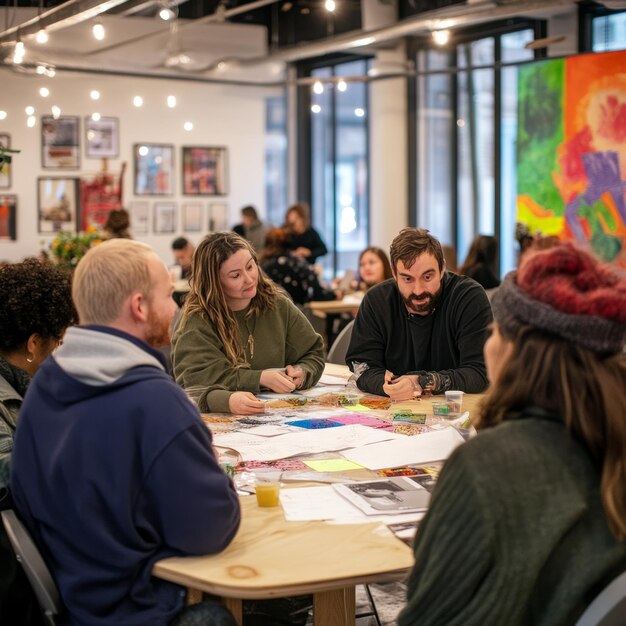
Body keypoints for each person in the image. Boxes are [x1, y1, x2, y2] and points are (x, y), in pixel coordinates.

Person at [10, 239, 241, 626]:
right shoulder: (157, 402)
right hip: (130, 609)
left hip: (66, 598)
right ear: (139, 306)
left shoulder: (44, 383)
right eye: (169, 295)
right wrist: (213, 469)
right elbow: (212, 529)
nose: (176, 309)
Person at [398, 243, 626, 626]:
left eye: (494, 330)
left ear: (515, 350)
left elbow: (424, 615)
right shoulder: (609, 439)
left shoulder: (486, 465)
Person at [172, 232, 325, 415]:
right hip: (218, 422)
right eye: (235, 275)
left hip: (277, 417)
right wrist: (259, 379)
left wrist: (303, 372)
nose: (249, 278)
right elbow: (194, 383)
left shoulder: (277, 304)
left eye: (250, 267)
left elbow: (313, 352)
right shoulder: (198, 319)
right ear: (214, 283)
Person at [0, 259, 76, 626]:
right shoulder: (7, 395)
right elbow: (8, 476)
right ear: (33, 344)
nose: (59, 350)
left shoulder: (25, 383)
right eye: (58, 340)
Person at [346, 228, 492, 398]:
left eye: (427, 277)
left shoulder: (468, 297)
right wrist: (387, 385)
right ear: (394, 273)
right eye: (407, 279)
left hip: (455, 411)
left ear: (442, 267)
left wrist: (423, 381)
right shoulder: (376, 301)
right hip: (392, 411)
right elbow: (361, 366)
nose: (418, 290)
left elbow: (480, 372)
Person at [260, 227, 337, 305]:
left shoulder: (263, 265)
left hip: (275, 311)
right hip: (299, 311)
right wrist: (334, 294)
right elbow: (316, 292)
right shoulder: (294, 263)